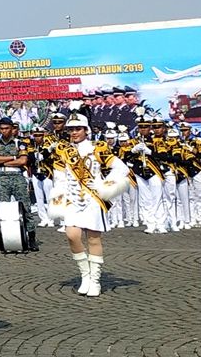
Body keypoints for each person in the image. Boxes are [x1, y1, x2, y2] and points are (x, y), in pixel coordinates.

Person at [48, 110, 129, 297]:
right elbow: (59, 177)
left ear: (86, 130)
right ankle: (85, 274)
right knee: (72, 235)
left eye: (78, 129)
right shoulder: (63, 151)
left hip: (92, 198)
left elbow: (121, 168)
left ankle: (95, 280)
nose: (74, 132)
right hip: (72, 199)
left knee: (93, 238)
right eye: (71, 129)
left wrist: (104, 185)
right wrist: (59, 196)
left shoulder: (98, 148)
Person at [0, 117, 38, 251]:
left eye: (7, 128)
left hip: (17, 177)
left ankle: (32, 238)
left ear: (12, 128)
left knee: (26, 207)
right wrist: (13, 157)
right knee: (2, 209)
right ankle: (5, 239)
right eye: (2, 128)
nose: (4, 131)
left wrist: (2, 161)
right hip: (2, 178)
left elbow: (23, 161)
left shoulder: (20, 143)